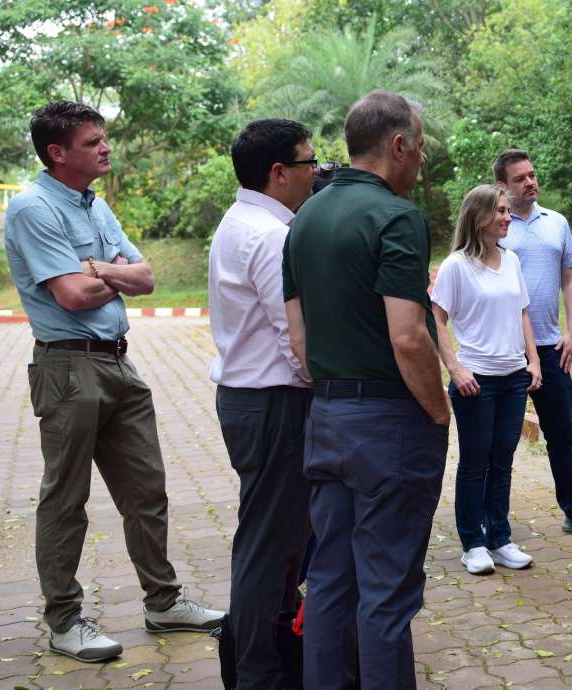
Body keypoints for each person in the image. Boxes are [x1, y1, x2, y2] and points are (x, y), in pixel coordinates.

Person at [3, 101, 222, 663]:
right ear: (57, 152)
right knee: (66, 500)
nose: (105, 147)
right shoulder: (33, 208)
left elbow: (146, 277)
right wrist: (106, 274)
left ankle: (164, 602)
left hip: (119, 362)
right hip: (67, 368)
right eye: (92, 141)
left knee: (147, 492)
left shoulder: (93, 206)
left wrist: (97, 269)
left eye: (104, 138)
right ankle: (65, 620)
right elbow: (71, 296)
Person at [282, 90, 450, 690]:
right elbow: (409, 337)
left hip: (326, 417)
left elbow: (298, 340)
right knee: (386, 592)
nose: (421, 162)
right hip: (390, 425)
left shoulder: (304, 219)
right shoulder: (397, 217)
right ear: (398, 144)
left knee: (329, 579)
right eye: (420, 148)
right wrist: (437, 411)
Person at [208, 118, 316, 689]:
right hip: (273, 402)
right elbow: (294, 341)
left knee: (276, 544)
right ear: (279, 173)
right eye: (308, 162)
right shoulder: (271, 234)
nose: (316, 172)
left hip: (250, 399)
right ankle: (256, 672)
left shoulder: (240, 221)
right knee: (266, 547)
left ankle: (272, 647)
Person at [492, 149, 572, 541]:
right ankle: (492, 522)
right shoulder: (496, 228)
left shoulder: (556, 223)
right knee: (501, 440)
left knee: (561, 434)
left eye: (532, 174)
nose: (530, 182)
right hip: (505, 353)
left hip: (550, 347)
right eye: (520, 178)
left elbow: (570, 279)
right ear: (503, 186)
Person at [431, 184, 543, 576]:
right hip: (475, 381)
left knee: (503, 461)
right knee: (475, 463)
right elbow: (437, 319)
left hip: (514, 379)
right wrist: (455, 369)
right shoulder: (456, 266)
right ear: (478, 216)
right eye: (499, 210)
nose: (506, 217)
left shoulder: (511, 261)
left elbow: (523, 312)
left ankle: (499, 537)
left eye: (507, 211)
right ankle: (472, 543)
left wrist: (533, 361)